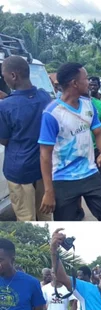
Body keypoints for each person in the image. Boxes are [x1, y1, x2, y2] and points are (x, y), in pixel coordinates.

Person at [39, 63, 101, 221]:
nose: (89, 82)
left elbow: (99, 133)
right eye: (86, 78)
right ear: (75, 83)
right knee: (67, 223)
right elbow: (45, 155)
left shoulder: (89, 105)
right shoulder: (52, 113)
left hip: (90, 172)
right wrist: (48, 191)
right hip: (63, 179)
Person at [0, 55, 53, 222]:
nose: (4, 79)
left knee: (25, 218)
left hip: (19, 170)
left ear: (14, 75)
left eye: (4, 75)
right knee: (45, 214)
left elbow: (4, 140)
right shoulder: (45, 97)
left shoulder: (5, 106)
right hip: (43, 168)